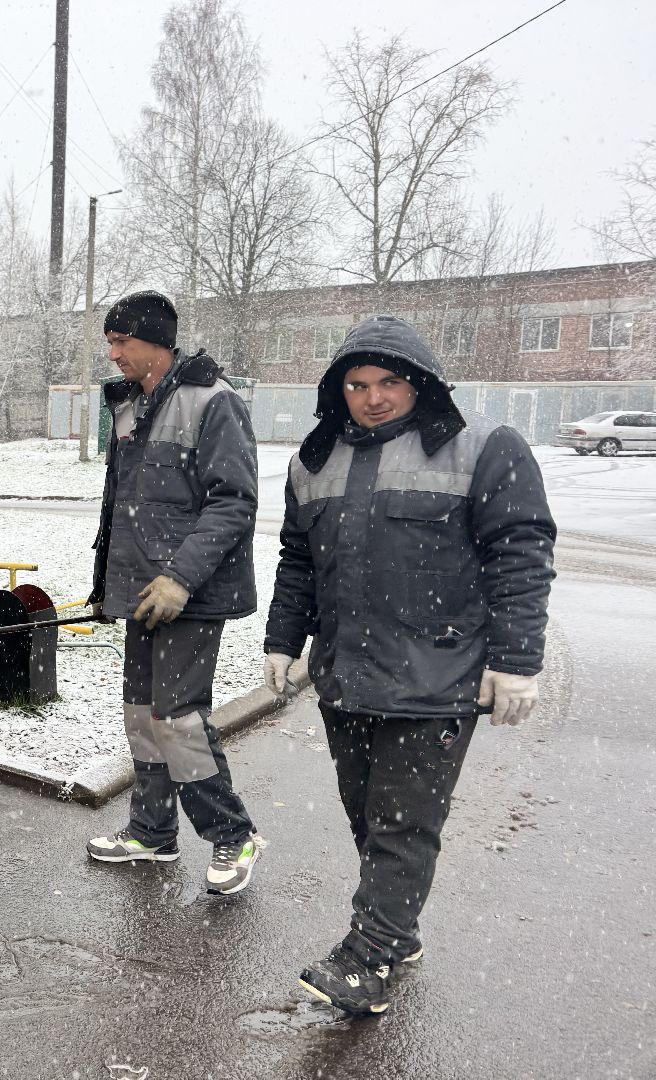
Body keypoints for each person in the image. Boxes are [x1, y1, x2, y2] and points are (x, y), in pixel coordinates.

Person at [264, 314, 556, 1015]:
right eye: (358, 384)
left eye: (390, 382)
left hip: (439, 678)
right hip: (346, 677)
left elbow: (520, 553)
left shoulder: (484, 448)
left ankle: (366, 961)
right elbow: (297, 561)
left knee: (402, 825)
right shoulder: (314, 460)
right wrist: (283, 641)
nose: (374, 397)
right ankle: (398, 932)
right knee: (367, 816)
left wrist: (516, 660)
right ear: (340, 390)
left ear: (420, 381)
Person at [87, 290, 266, 895]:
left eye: (121, 342)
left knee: (178, 720)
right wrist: (104, 588)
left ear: (156, 344)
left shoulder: (214, 404)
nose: (112, 353)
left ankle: (231, 835)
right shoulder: (129, 408)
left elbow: (234, 501)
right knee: (142, 715)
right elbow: (123, 509)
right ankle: (152, 832)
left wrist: (181, 576)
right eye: (109, 342)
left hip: (192, 594)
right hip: (141, 594)